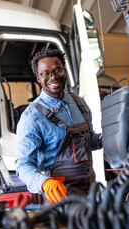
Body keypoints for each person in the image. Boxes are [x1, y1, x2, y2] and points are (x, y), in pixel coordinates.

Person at [16, 48, 102, 204]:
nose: (53, 77)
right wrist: (44, 182)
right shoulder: (32, 117)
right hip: (61, 197)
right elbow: (23, 164)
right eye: (45, 73)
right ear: (38, 78)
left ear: (65, 71)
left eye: (58, 71)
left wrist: (110, 136)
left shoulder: (78, 103)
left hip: (91, 191)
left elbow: (89, 141)